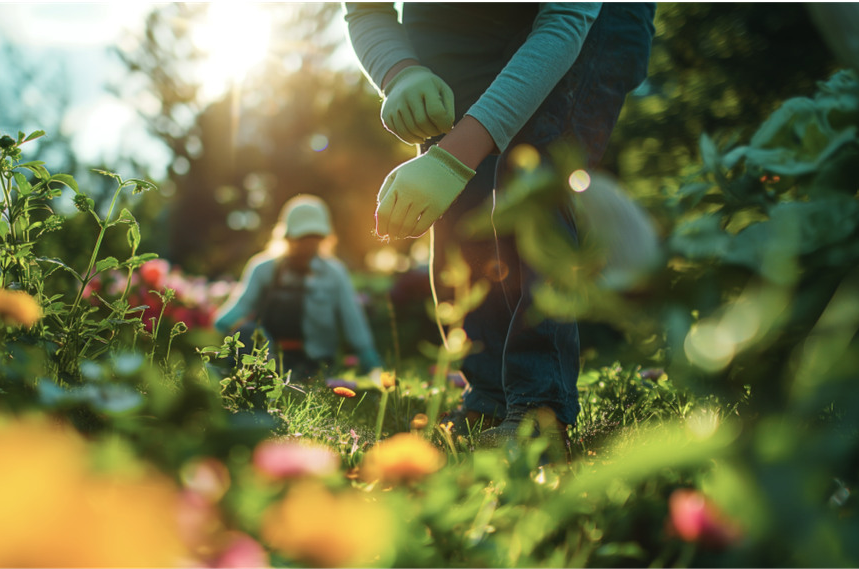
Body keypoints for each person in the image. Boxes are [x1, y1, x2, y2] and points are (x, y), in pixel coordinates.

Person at [344, 2, 656, 444]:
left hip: (586, 17)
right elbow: (364, 10)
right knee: (460, 210)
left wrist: (453, 159)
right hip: (449, 21)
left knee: (531, 179)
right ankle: (489, 397)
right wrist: (401, 73)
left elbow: (566, 18)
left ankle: (539, 412)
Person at [213, 195, 383, 381]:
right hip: (268, 359)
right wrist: (210, 333)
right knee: (247, 332)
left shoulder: (335, 272)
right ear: (287, 236)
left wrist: (373, 367)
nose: (308, 243)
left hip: (314, 364)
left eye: (314, 237)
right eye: (302, 237)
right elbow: (240, 307)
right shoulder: (263, 268)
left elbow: (354, 322)